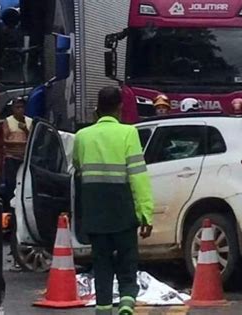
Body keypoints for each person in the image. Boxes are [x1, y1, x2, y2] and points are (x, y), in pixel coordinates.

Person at [73, 86, 154, 315]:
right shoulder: (128, 134)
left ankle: (103, 309)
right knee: (127, 262)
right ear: (120, 107)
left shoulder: (82, 136)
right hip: (122, 211)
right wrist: (145, 212)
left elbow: (78, 168)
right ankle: (127, 303)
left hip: (95, 212)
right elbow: (139, 177)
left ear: (97, 109)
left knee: (101, 264)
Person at [2, 97, 32, 270]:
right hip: (12, 161)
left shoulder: (30, 122)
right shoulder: (7, 122)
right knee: (11, 196)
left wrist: (25, 132)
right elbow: (5, 141)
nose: (19, 110)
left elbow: (33, 141)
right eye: (16, 107)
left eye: (21, 107)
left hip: (25, 162)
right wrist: (20, 143)